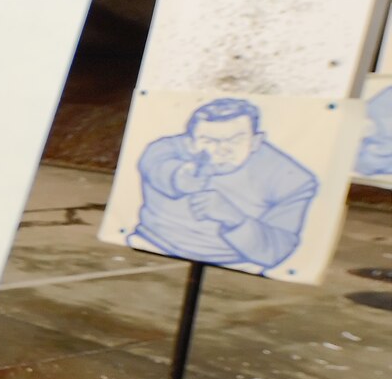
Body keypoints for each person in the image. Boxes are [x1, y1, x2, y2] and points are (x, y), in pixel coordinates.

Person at [132, 97, 318, 271]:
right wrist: (178, 178)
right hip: (151, 243)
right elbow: (156, 162)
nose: (223, 150)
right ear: (190, 143)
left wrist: (234, 218)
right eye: (209, 141)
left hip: (238, 264)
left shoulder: (290, 178)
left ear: (256, 141)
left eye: (235, 140)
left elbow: (276, 250)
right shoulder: (165, 149)